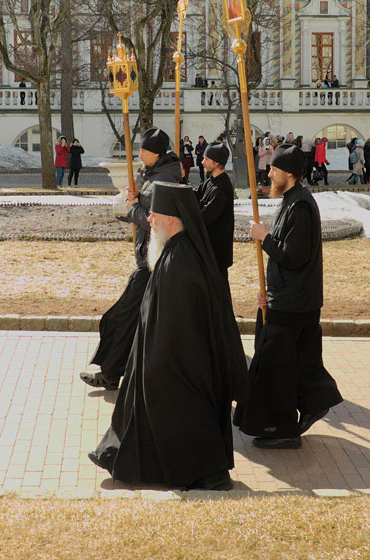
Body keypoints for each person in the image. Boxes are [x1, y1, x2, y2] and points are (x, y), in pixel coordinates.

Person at [89, 182, 248, 490]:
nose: (149, 220)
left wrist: (155, 362)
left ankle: (203, 472)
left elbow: (180, 324)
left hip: (175, 364)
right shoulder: (175, 250)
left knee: (179, 419)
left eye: (154, 215)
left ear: (173, 219)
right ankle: (119, 457)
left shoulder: (181, 261)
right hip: (163, 357)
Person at [235, 145, 343, 449]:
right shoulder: (291, 201)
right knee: (298, 363)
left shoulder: (301, 207)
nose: (268, 174)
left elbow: (293, 257)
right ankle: (314, 402)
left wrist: (264, 238)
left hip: (294, 304)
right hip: (288, 299)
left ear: (290, 174)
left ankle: (281, 429)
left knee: (276, 370)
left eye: (274, 169)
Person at [80, 127, 183, 390]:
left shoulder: (161, 179)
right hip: (150, 260)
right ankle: (117, 372)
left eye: (143, 151)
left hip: (152, 264)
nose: (139, 155)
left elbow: (155, 222)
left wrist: (133, 207)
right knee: (134, 320)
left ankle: (114, 372)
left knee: (123, 318)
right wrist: (136, 201)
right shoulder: (156, 175)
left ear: (155, 153)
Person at [196, 143, 235, 287]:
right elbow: (195, 194)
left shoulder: (221, 189)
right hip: (209, 251)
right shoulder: (211, 181)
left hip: (216, 253)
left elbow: (204, 217)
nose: (202, 162)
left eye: (205, 158)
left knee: (220, 295)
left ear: (216, 163)